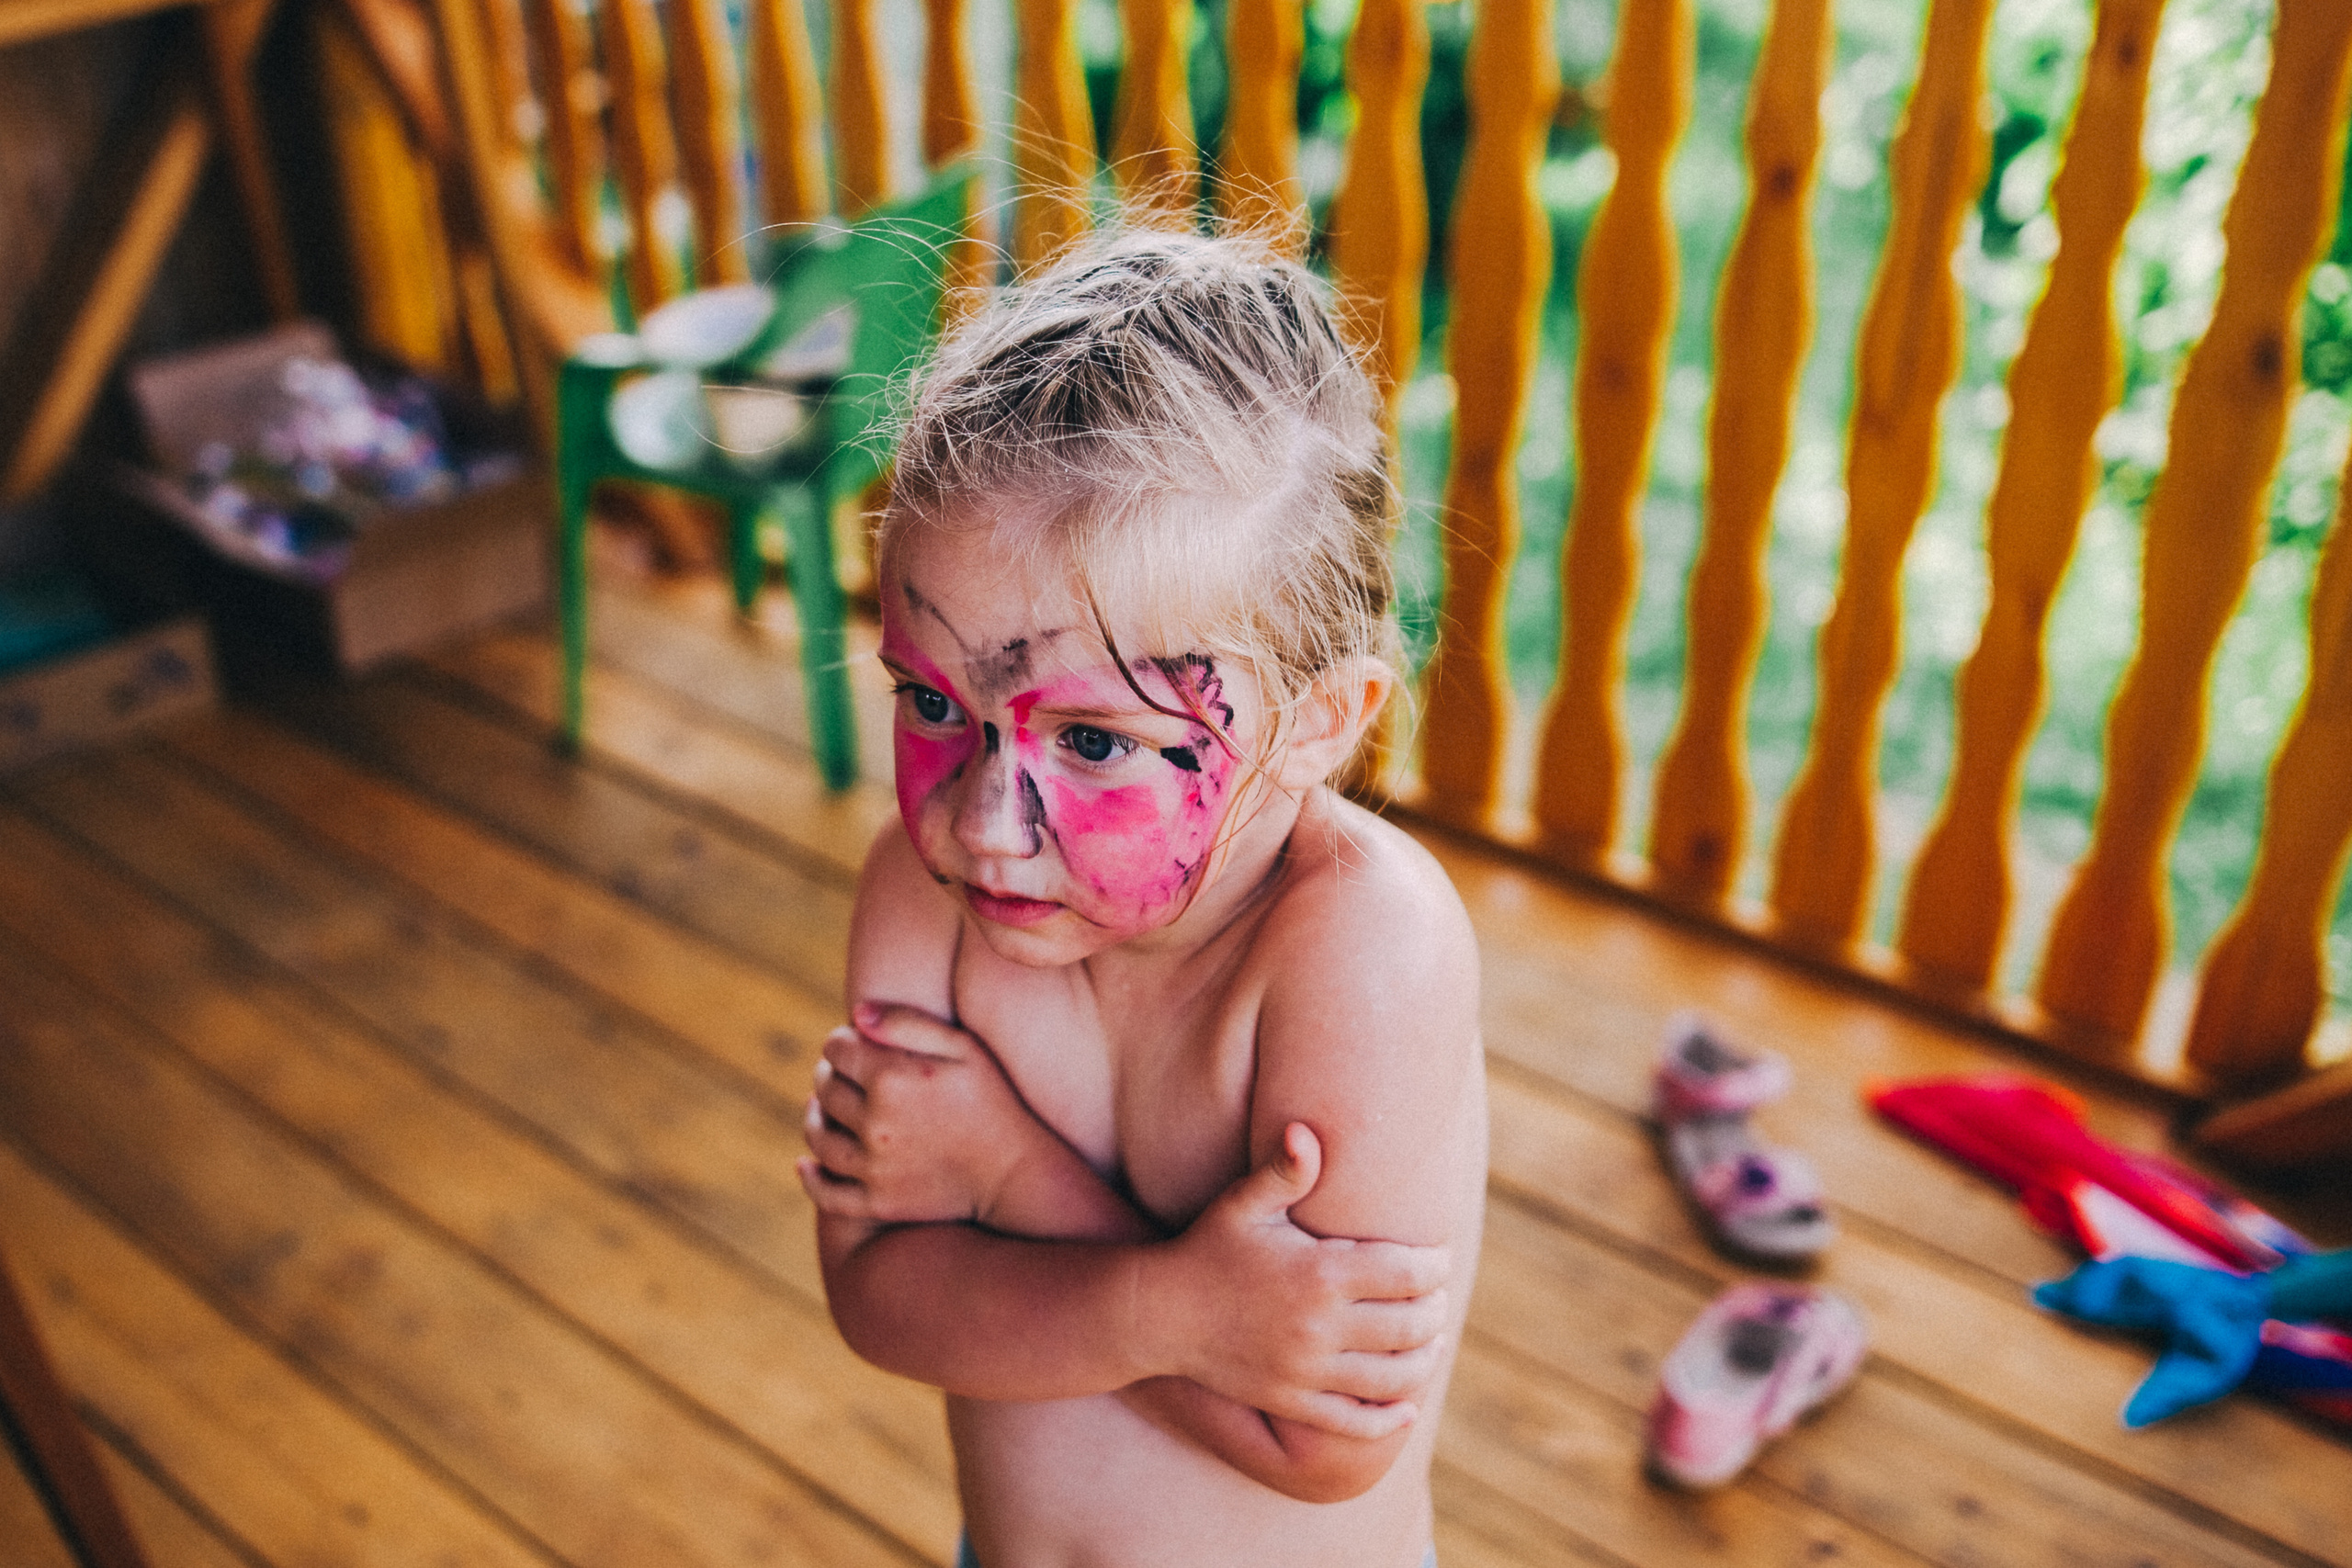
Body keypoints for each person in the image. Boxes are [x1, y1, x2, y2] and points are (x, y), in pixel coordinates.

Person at [797, 227, 1488, 1568]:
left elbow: (1326, 1438)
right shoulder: (915, 894)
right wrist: (1193, 1311)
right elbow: (877, 1299)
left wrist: (1007, 1177)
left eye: (1098, 742)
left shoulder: (1361, 954)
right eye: (935, 703)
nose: (986, 825)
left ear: (1317, 722)